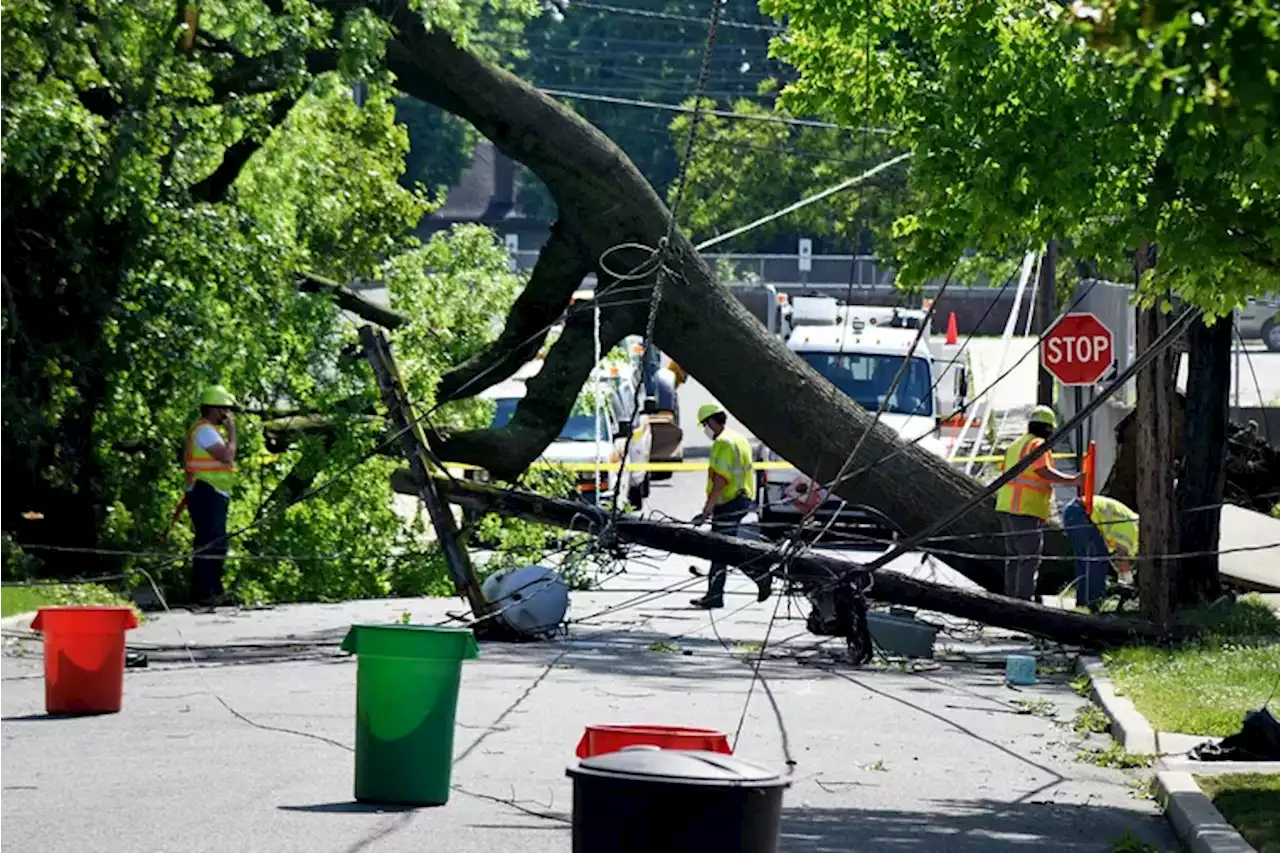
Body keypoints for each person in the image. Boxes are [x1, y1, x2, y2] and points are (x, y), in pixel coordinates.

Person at [994, 405, 1083, 599]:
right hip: (1025, 509)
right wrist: (1073, 480)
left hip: (1006, 507)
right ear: (1048, 428)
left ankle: (1009, 600)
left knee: (1014, 558)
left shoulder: (1016, 445)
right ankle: (1023, 604)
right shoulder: (1037, 445)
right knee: (1029, 559)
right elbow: (1043, 471)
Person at [690, 403, 771, 609]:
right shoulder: (739, 438)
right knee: (723, 547)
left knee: (722, 549)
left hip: (729, 501)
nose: (705, 430)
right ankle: (715, 594)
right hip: (742, 498)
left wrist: (707, 508)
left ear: (710, 421)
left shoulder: (724, 443)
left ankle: (758, 575)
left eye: (704, 424)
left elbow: (721, 479)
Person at [184, 385, 239, 606]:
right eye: (225, 409)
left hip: (211, 491)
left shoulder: (208, 431)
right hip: (206, 491)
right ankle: (206, 593)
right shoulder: (205, 431)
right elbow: (227, 456)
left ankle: (213, 591)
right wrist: (233, 433)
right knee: (210, 542)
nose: (227, 414)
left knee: (215, 542)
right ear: (215, 409)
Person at [1062, 494, 1138, 610]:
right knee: (1095, 559)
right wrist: (1128, 581)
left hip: (1078, 511)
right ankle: (1092, 603)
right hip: (1082, 512)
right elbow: (1122, 556)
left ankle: (1084, 604)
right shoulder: (1133, 531)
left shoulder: (1133, 523)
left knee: (1088, 561)